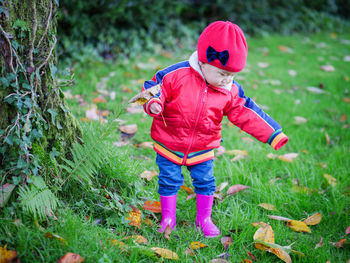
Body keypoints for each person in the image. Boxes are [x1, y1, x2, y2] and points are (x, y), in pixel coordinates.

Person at [141, 21, 289, 238]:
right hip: (169, 142)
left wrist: (273, 133)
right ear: (204, 60)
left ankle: (204, 219)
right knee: (169, 179)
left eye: (232, 75)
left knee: (206, 181)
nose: (227, 80)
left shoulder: (229, 89)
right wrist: (154, 103)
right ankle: (168, 218)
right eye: (222, 73)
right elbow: (154, 88)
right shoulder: (176, 75)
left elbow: (247, 112)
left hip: (203, 147)